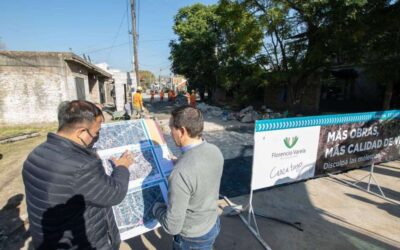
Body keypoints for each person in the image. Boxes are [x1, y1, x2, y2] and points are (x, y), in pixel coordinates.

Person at [22, 100, 134, 250]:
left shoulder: (35, 155)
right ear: (81, 132)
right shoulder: (82, 166)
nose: (97, 137)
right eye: (96, 132)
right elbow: (115, 194)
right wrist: (122, 167)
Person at [152, 105, 224, 250]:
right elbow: (200, 171)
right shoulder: (215, 151)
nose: (170, 132)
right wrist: (180, 161)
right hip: (212, 223)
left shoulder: (180, 173)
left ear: (182, 131)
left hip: (192, 238)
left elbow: (172, 227)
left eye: (171, 127)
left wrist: (156, 209)